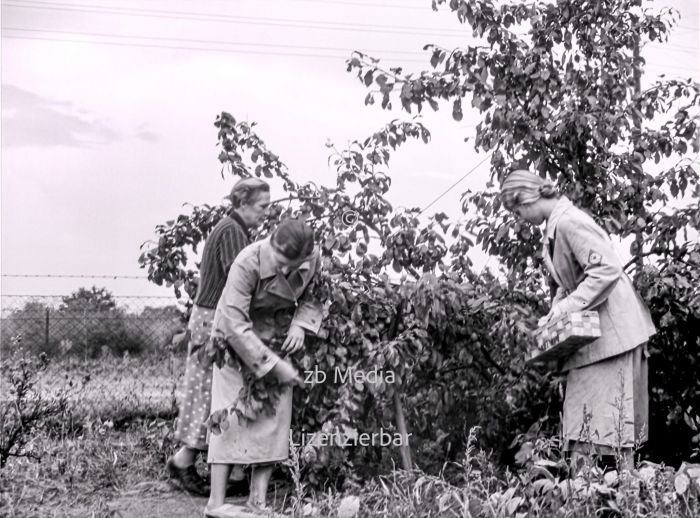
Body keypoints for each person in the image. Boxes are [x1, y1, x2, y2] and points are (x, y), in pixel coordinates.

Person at [500, 169, 656, 468]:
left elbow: (606, 269)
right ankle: (592, 499)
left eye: (517, 209)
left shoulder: (570, 221)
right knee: (584, 430)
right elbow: (575, 276)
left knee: (611, 433)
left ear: (527, 198)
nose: (519, 217)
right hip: (597, 339)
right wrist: (557, 305)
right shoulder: (557, 225)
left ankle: (623, 501)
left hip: (615, 337)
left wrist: (565, 307)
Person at [204, 219, 323, 517]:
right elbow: (233, 322)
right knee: (229, 413)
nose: (284, 271)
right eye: (280, 263)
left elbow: (314, 296)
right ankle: (216, 504)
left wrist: (300, 324)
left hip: (276, 333)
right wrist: (271, 366)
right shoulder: (247, 262)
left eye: (291, 266)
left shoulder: (316, 257)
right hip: (234, 339)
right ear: (272, 244)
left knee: (274, 414)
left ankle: (258, 502)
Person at [166, 178, 271, 495]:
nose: (265, 213)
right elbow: (241, 280)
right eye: (261, 206)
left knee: (220, 393)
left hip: (214, 315)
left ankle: (226, 468)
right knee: (210, 394)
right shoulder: (231, 231)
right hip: (214, 319)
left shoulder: (234, 229)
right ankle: (183, 462)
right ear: (242, 203)